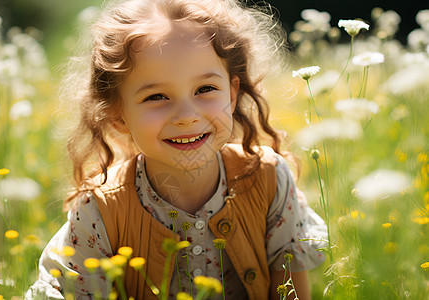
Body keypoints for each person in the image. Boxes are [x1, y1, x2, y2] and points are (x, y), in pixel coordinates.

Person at [27, 0, 327, 299]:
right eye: (157, 96)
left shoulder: (269, 179)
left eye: (205, 89)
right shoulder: (100, 211)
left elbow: (291, 292)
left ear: (232, 95)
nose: (187, 115)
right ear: (118, 114)